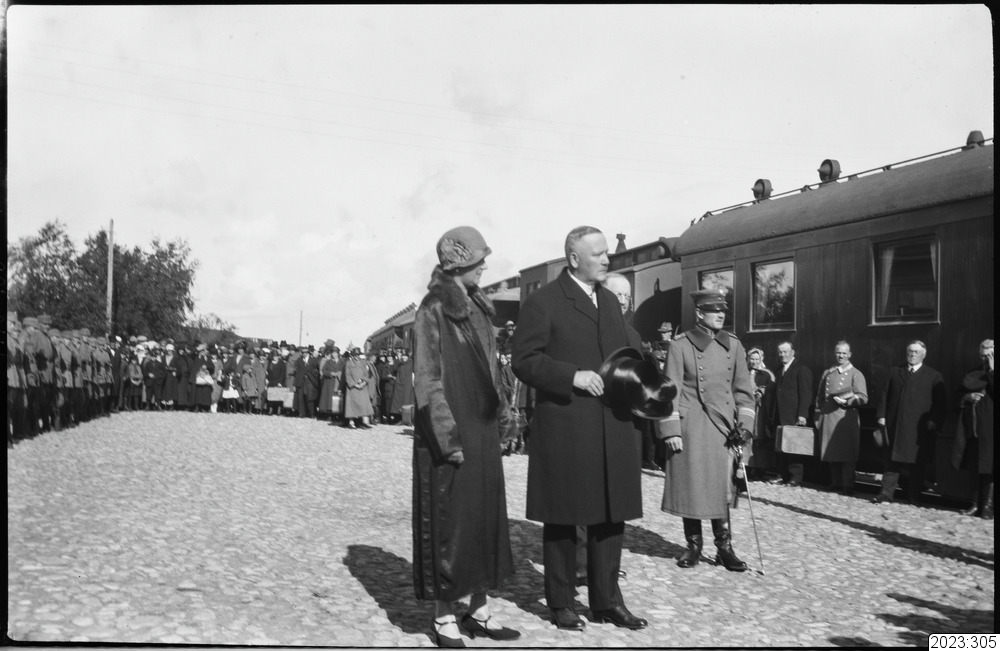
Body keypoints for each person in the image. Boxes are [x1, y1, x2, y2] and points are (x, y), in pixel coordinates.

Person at [511, 225, 646, 632]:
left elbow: (625, 355)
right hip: (568, 426)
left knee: (611, 514)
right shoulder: (544, 302)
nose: (607, 260)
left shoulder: (609, 301)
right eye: (598, 254)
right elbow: (524, 360)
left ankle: (607, 601)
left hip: (613, 424)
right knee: (564, 517)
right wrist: (572, 376)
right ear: (573, 259)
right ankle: (561, 602)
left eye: (607, 253)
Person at [411, 226, 518, 648]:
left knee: (483, 519)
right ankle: (443, 616)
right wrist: (447, 438)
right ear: (458, 263)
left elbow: (490, 371)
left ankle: (478, 609)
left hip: (483, 431)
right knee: (449, 525)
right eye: (479, 260)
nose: (485, 266)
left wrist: (503, 416)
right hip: (452, 434)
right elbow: (427, 381)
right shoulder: (432, 309)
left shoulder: (478, 306)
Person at [656, 288, 756, 573]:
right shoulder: (681, 345)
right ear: (699, 313)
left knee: (721, 488)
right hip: (691, 427)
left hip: (723, 428)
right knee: (692, 485)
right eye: (714, 310)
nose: (720, 314)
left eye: (723, 310)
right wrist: (671, 430)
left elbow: (744, 393)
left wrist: (745, 428)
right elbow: (669, 392)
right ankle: (694, 545)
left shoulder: (733, 345)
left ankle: (724, 547)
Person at [873, 340, 947, 505]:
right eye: (910, 352)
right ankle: (885, 493)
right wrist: (881, 415)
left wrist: (934, 420)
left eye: (916, 352)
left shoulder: (933, 376)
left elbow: (940, 403)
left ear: (923, 355)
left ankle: (913, 496)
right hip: (895, 424)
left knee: (917, 464)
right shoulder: (895, 372)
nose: (912, 355)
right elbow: (885, 394)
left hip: (919, 428)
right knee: (892, 461)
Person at [815, 341, 868, 495]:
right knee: (832, 452)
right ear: (835, 353)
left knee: (847, 453)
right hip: (828, 417)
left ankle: (848, 485)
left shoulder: (856, 373)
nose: (841, 356)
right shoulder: (828, 373)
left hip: (845, 419)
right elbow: (819, 397)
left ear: (849, 355)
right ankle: (836, 482)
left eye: (844, 353)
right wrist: (817, 416)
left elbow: (863, 397)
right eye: (838, 352)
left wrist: (848, 401)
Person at [952, 338, 993, 518]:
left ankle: (988, 507)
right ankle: (976, 504)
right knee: (975, 469)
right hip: (974, 430)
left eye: (990, 355)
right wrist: (966, 397)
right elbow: (956, 396)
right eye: (983, 356)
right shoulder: (972, 373)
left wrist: (992, 371)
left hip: (991, 431)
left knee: (990, 469)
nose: (986, 359)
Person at [768, 341, 813, 486]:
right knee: (781, 447)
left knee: (794, 447)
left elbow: (806, 394)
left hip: (793, 415)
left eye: (785, 352)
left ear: (792, 352)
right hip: (779, 415)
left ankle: (795, 477)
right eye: (780, 352)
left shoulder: (801, 369)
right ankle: (782, 475)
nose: (782, 355)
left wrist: (802, 414)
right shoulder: (779, 370)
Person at [744, 348, 776, 481]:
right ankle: (747, 467)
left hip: (760, 411)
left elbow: (771, 388)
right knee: (746, 438)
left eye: (757, 359)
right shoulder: (743, 372)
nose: (754, 362)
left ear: (761, 360)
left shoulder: (767, 374)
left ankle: (760, 469)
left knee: (759, 439)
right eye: (752, 359)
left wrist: (762, 391)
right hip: (746, 409)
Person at [344, 348, 374, 428]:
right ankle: (351, 422)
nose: (356, 357)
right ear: (352, 355)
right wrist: (354, 384)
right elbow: (347, 376)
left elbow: (366, 374)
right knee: (351, 405)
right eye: (355, 355)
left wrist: (364, 382)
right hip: (353, 387)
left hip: (362, 387)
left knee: (364, 404)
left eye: (358, 355)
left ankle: (365, 422)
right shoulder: (348, 363)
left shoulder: (363, 362)